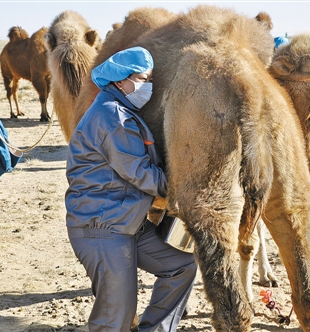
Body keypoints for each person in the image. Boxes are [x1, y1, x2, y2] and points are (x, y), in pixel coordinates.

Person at [65, 46, 197, 332]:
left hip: (129, 223)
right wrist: (186, 187)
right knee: (116, 317)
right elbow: (141, 174)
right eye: (140, 78)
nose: (146, 85)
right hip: (102, 226)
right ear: (120, 80)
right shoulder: (113, 117)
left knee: (181, 267)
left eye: (149, 79)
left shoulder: (122, 109)